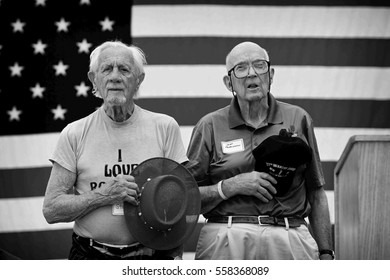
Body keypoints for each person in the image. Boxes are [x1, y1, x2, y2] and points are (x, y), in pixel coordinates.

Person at [186, 41, 334, 260]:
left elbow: (316, 191)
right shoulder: (209, 125)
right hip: (227, 237)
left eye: (259, 65)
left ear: (271, 75)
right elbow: (187, 198)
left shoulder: (298, 118)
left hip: (290, 237)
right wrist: (230, 186)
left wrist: (326, 252)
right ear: (229, 83)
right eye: (242, 68)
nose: (252, 74)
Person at [42, 41, 188, 260]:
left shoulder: (165, 127)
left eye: (124, 69)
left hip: (152, 256)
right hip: (90, 256)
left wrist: (175, 254)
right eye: (107, 69)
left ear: (139, 80)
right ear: (94, 79)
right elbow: (51, 210)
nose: (115, 76)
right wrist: (104, 195)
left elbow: (182, 199)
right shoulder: (73, 133)